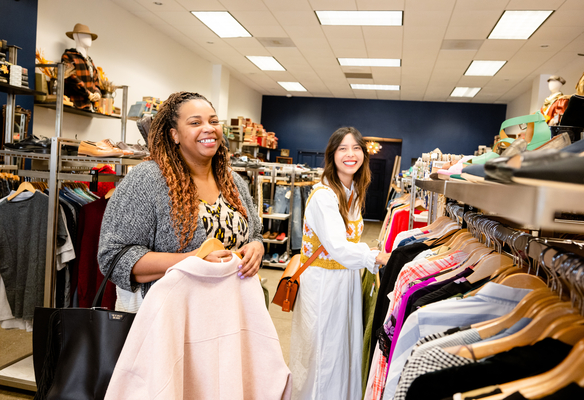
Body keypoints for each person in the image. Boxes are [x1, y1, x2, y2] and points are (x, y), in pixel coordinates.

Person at [98, 92, 264, 299]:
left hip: (232, 307)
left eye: (213, 121)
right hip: (174, 315)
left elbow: (255, 234)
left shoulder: (233, 181)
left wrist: (257, 247)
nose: (209, 128)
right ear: (174, 134)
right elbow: (113, 257)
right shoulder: (147, 179)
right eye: (195, 122)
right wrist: (193, 259)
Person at [289, 126, 391, 400]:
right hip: (324, 284)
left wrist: (362, 251)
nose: (350, 154)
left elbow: (346, 243)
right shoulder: (324, 195)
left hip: (345, 281)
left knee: (342, 347)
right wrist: (374, 256)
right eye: (342, 149)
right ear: (331, 155)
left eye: (356, 148)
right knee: (325, 352)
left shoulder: (352, 190)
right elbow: (336, 247)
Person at [62, 23, 102, 110]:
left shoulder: (90, 61)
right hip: (74, 103)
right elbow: (72, 78)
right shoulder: (68, 56)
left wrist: (97, 93)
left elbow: (96, 80)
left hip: (89, 106)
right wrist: (88, 94)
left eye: (90, 37)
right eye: (86, 36)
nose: (90, 39)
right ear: (76, 37)